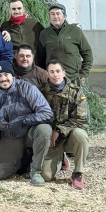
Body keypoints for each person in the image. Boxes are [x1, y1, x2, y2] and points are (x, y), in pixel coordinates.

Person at [0, 69, 53, 185]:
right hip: (11, 135)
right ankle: (24, 160)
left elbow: (47, 114)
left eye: (6, 74)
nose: (3, 78)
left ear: (12, 75)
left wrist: (24, 120)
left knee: (44, 129)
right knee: (1, 173)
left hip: (30, 132)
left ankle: (36, 171)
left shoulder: (27, 89)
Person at [40, 61, 89, 189]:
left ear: (63, 73)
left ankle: (78, 173)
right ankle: (61, 157)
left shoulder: (76, 92)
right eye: (52, 72)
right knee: (46, 176)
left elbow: (81, 119)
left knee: (81, 135)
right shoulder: (41, 91)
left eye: (58, 71)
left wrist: (60, 130)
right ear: (47, 74)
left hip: (68, 137)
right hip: (52, 140)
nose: (55, 75)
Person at [35, 3, 92, 81]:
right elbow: (40, 58)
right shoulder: (44, 34)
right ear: (49, 17)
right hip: (53, 79)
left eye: (58, 14)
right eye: (52, 14)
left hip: (73, 78)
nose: (55, 16)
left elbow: (87, 53)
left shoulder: (75, 31)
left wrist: (83, 74)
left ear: (64, 16)